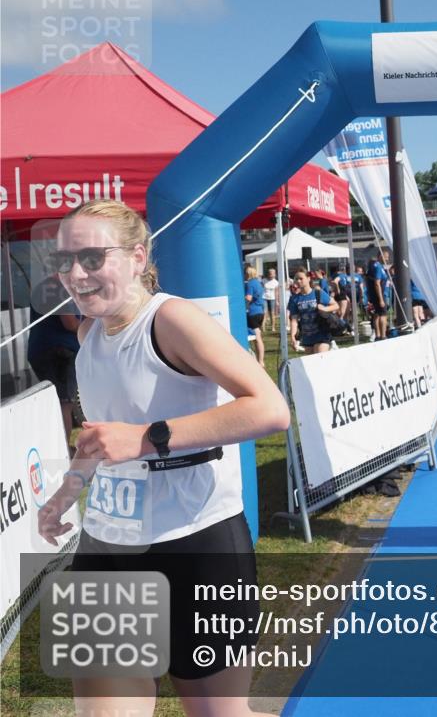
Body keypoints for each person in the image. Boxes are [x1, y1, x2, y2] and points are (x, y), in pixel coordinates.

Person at [36, 198, 289, 715]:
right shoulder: (88, 334)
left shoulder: (172, 319)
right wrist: (66, 492)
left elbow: (269, 409)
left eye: (90, 258)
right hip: (107, 542)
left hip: (197, 543)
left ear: (136, 256)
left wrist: (148, 438)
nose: (74, 275)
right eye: (63, 261)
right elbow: (102, 436)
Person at [27, 274, 82, 440]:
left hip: (48, 351)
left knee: (62, 402)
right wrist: (95, 329)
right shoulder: (55, 289)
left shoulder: (52, 287)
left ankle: (64, 448)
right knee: (64, 403)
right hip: (57, 353)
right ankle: (64, 452)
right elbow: (70, 323)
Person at [287, 269, 337, 353]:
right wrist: (292, 336)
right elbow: (294, 320)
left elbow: (335, 305)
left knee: (319, 358)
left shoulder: (318, 293)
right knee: (310, 363)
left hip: (322, 333)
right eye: (296, 279)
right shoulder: (294, 299)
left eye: (301, 278)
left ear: (308, 278)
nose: (298, 281)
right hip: (307, 336)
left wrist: (324, 308)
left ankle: (332, 344)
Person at [367, 249, 392, 340]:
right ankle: (383, 335)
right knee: (383, 314)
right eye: (386, 257)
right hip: (379, 295)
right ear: (381, 256)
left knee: (377, 314)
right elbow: (377, 283)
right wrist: (381, 299)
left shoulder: (378, 266)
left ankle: (378, 336)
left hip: (378, 295)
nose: (387, 259)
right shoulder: (378, 267)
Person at [244, 265, 265, 366]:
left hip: (253, 312)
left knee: (256, 337)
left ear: (247, 273)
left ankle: (260, 361)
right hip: (260, 311)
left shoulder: (250, 283)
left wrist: (241, 302)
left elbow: (248, 297)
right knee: (258, 336)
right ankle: (259, 360)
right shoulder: (258, 283)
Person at [262, 268, 279, 332]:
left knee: (272, 313)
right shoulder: (263, 280)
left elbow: (276, 292)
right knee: (264, 312)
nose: (272, 275)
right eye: (270, 273)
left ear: (275, 274)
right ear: (268, 274)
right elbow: (261, 289)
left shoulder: (276, 282)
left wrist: (277, 301)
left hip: (272, 298)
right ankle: (263, 327)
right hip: (264, 298)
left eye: (273, 274)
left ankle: (273, 327)